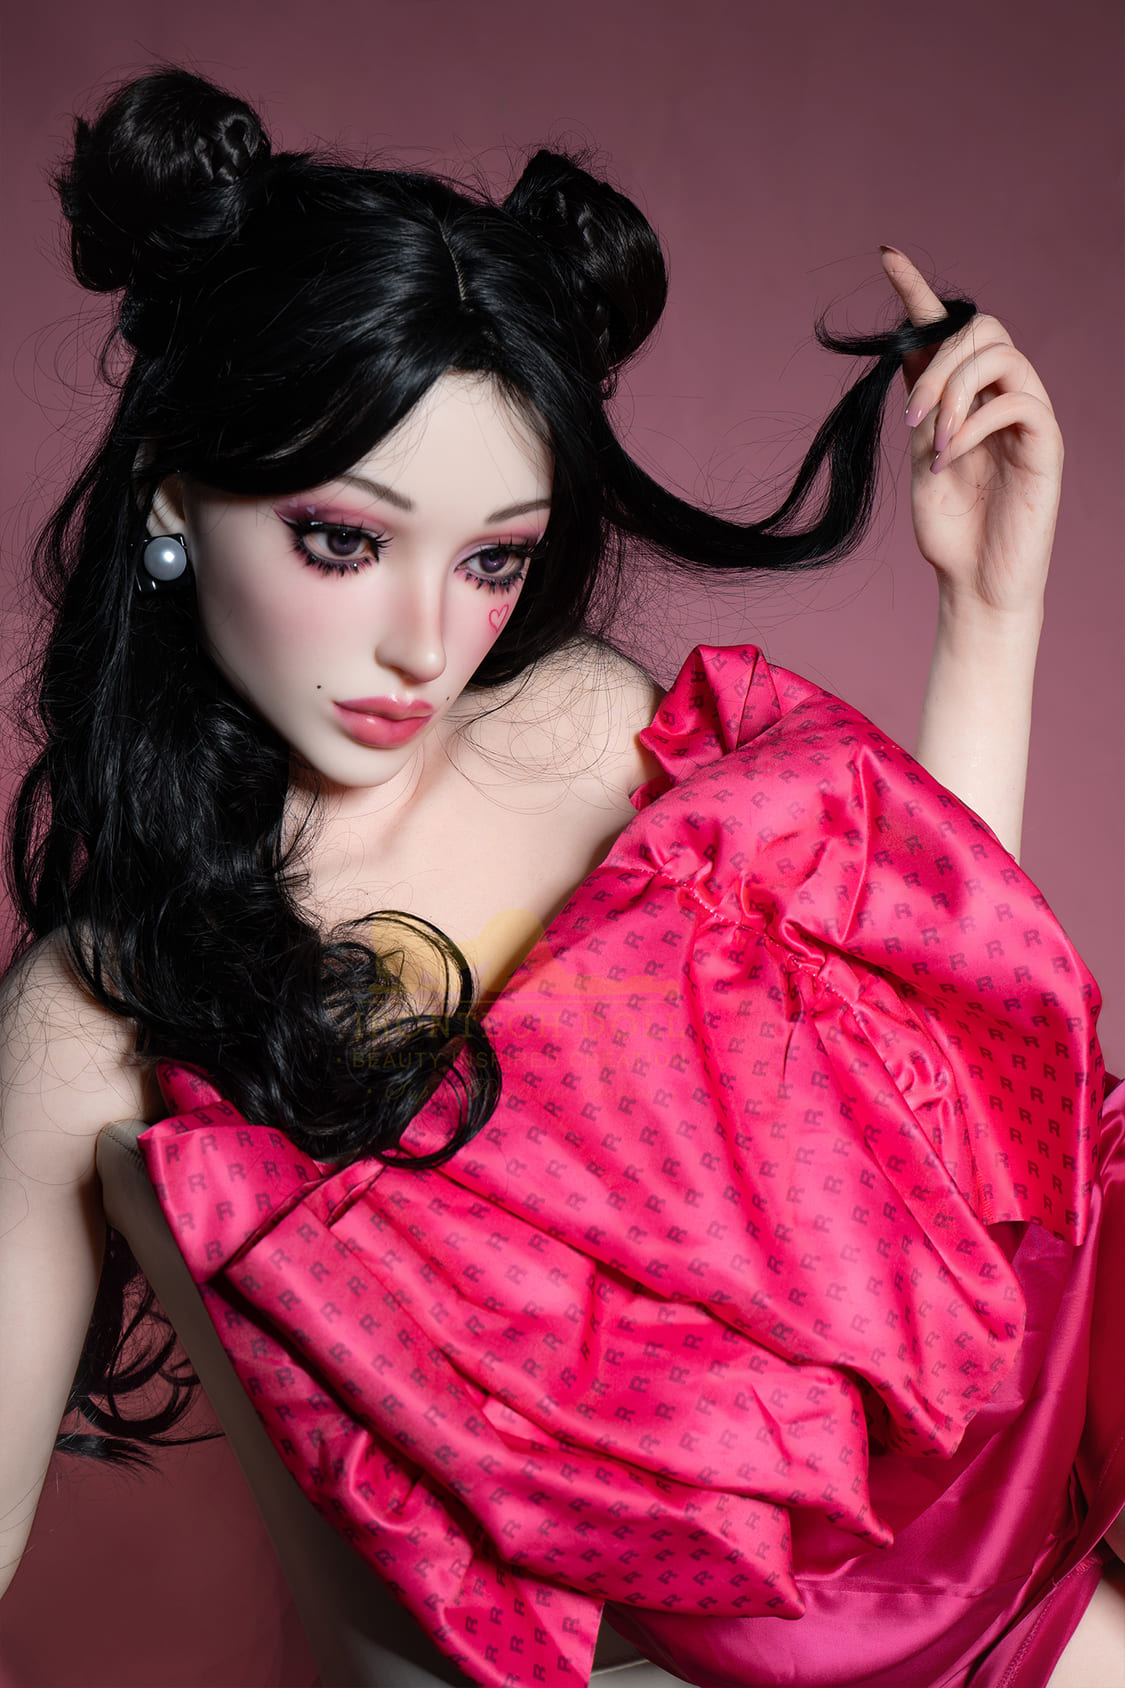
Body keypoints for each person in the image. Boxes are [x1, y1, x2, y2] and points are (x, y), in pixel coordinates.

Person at [1, 65, 1121, 1688]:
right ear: (173, 489)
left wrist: (989, 615)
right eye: (342, 541)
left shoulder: (586, 726)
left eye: (491, 559)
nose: (423, 643)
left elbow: (927, 1091)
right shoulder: (91, 1021)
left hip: (999, 1591)